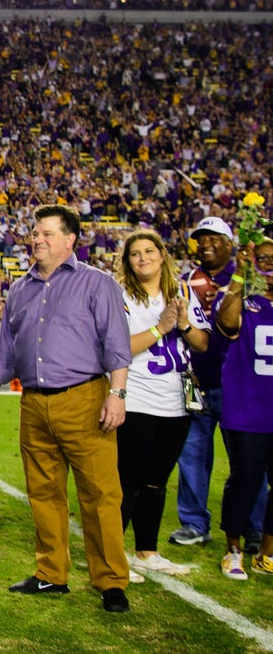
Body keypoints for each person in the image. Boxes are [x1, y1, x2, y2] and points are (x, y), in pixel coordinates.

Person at [0, 204, 133, 613]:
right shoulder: (20, 288)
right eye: (35, 233)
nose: (37, 239)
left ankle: (111, 581)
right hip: (33, 402)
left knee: (100, 494)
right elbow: (6, 348)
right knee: (43, 493)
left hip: (85, 398)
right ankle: (51, 573)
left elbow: (116, 343)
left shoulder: (96, 283)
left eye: (47, 233)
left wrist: (117, 394)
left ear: (70, 240)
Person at [113, 231, 208, 579]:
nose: (143, 258)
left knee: (156, 481)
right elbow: (117, 347)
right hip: (137, 397)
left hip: (176, 401)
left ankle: (147, 551)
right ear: (127, 261)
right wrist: (161, 328)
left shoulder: (182, 292)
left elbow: (202, 343)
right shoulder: (121, 295)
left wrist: (183, 324)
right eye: (135, 253)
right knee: (129, 481)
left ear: (162, 255)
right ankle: (113, 556)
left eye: (149, 251)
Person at [171, 217, 265, 551]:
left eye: (214, 238)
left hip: (237, 385)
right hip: (196, 381)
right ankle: (194, 523)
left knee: (248, 460)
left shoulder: (250, 279)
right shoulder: (185, 282)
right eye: (201, 239)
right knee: (192, 456)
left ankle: (253, 527)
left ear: (230, 244)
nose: (206, 244)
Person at [214, 239, 273, 580]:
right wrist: (240, 273)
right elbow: (226, 323)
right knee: (245, 480)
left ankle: (267, 553)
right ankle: (233, 549)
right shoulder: (242, 301)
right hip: (247, 412)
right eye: (262, 259)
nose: (269, 264)